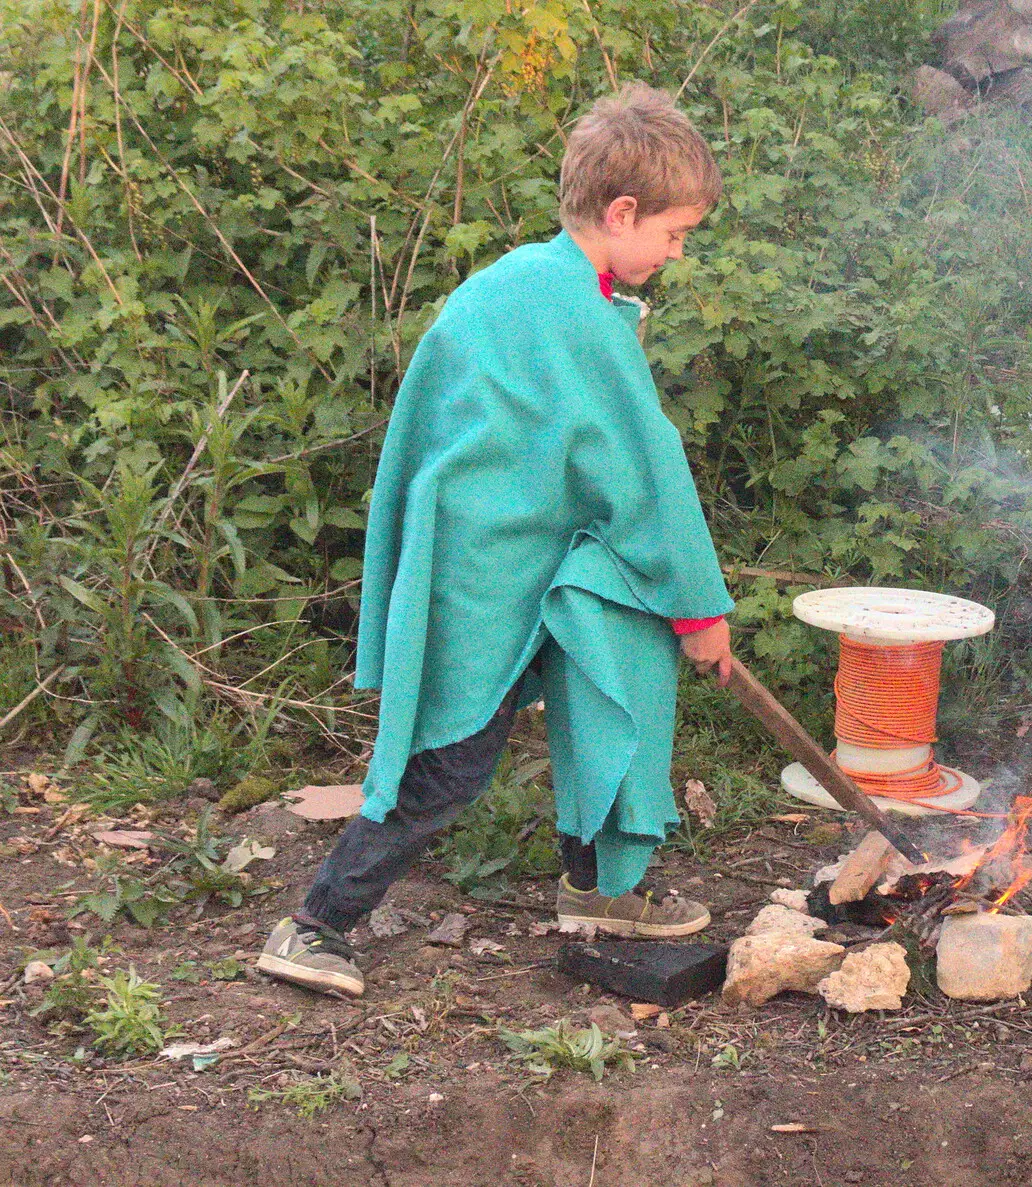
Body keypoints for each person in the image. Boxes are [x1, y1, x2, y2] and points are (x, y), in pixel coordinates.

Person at [257, 83, 734, 999]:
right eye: (675, 233)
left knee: (605, 657)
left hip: (532, 557)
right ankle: (315, 922)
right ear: (622, 211)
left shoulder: (534, 279)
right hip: (485, 577)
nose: (677, 252)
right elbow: (644, 467)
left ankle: (601, 890)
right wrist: (699, 608)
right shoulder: (569, 310)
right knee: (448, 759)